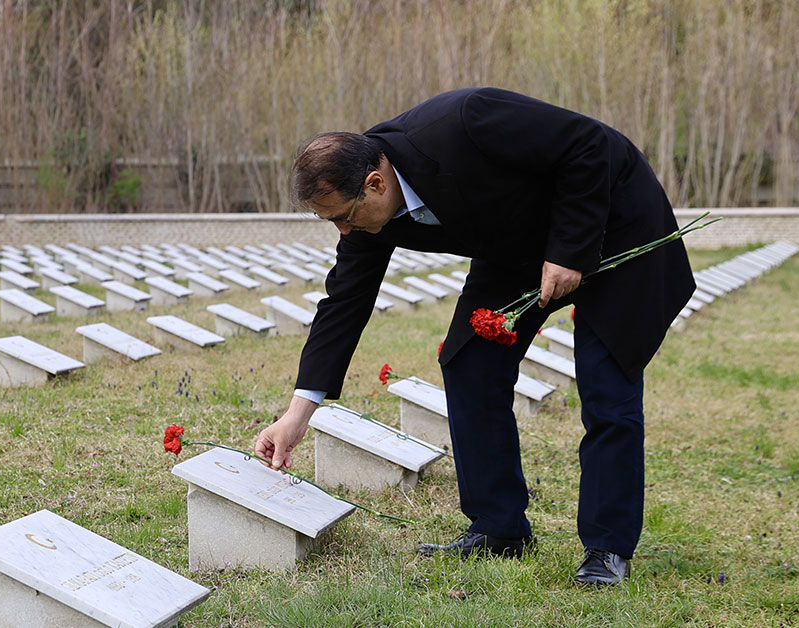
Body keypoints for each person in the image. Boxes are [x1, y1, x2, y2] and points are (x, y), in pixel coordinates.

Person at [252, 87, 695, 586]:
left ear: (375, 183)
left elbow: (589, 144)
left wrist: (570, 249)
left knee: (606, 383)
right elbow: (344, 302)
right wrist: (298, 413)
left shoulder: (465, 121)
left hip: (614, 224)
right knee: (469, 363)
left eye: (341, 217)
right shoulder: (366, 215)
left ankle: (607, 546)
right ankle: (499, 527)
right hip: (517, 249)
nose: (343, 232)